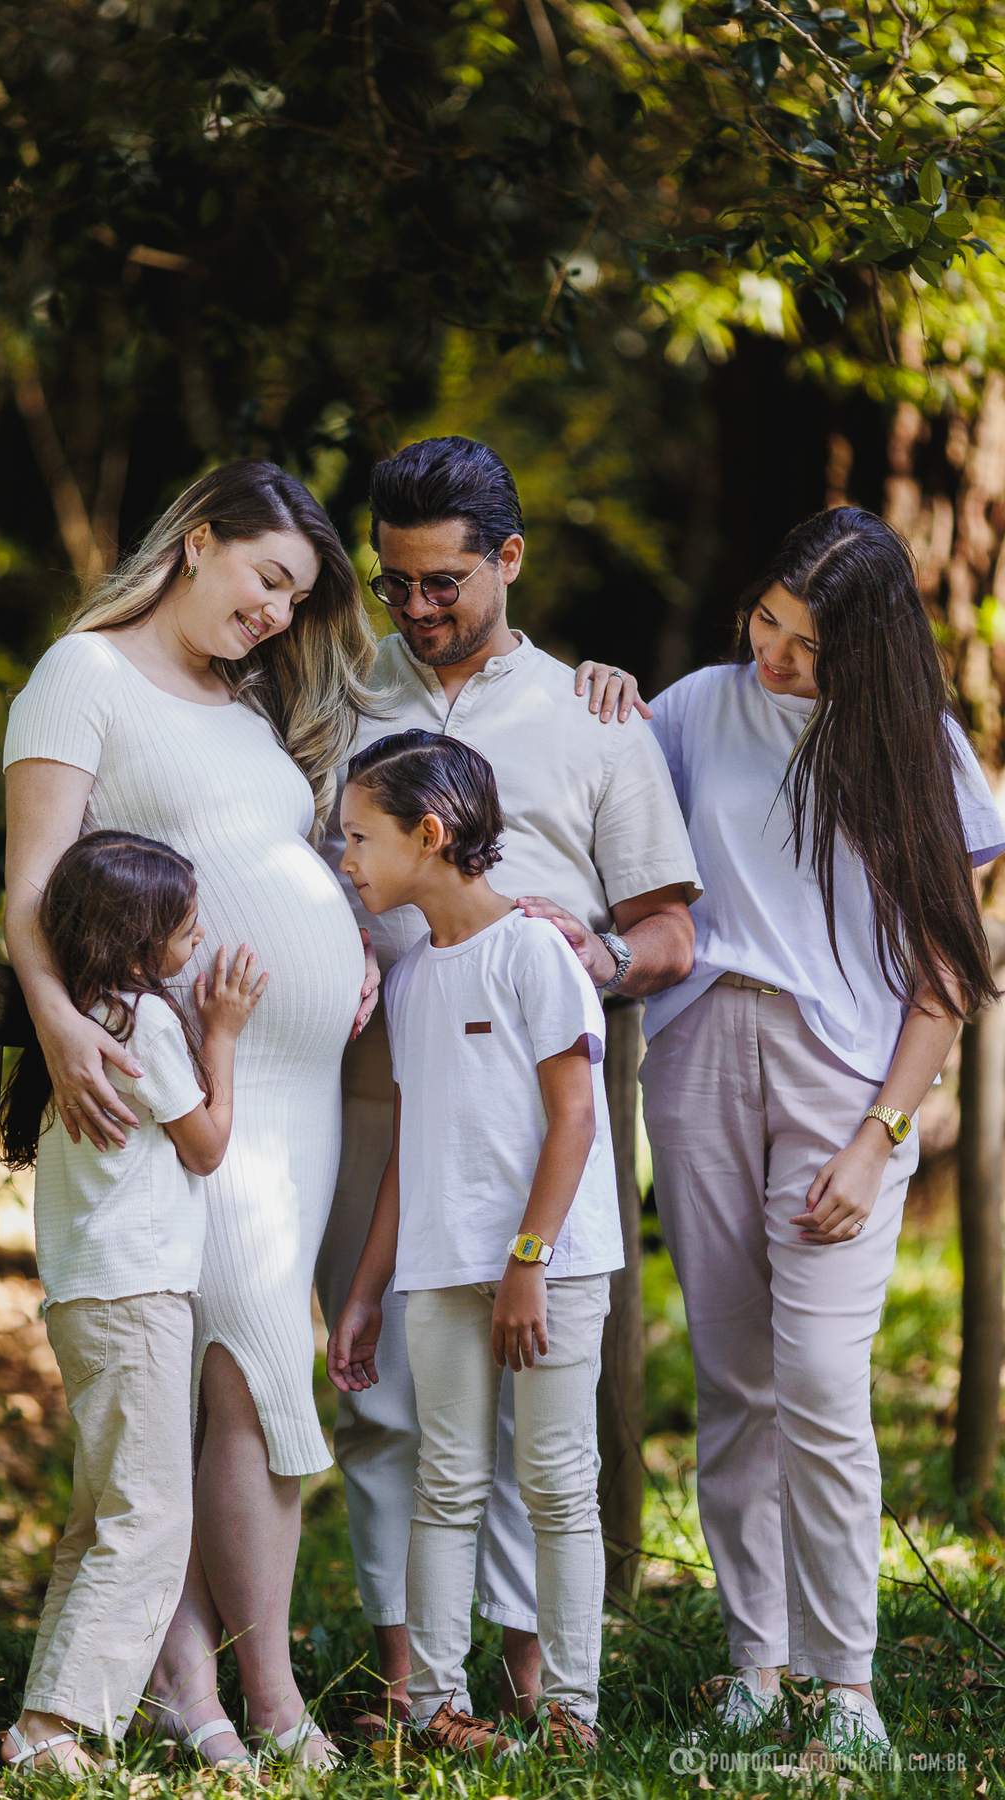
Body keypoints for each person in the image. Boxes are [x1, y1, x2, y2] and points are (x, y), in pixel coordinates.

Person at [2, 460, 381, 1771]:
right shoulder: (82, 674)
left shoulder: (242, 703)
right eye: (269, 577)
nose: (280, 612)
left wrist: (337, 930)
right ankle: (246, 1700)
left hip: (289, 1094)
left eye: (297, 598)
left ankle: (202, 1690)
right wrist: (59, 1026)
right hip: (183, 1101)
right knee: (237, 1377)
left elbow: (261, 857)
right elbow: (34, 887)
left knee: (252, 1384)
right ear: (200, 535)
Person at [315, 435, 700, 1721]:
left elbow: (669, 932)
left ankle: (540, 1671)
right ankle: (410, 1676)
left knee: (540, 1414)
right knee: (390, 1392)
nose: (419, 612)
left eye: (445, 584)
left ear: (509, 561)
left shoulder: (592, 714)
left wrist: (591, 955)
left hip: (539, 1087)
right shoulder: (344, 694)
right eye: (396, 584)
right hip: (376, 1069)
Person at [638, 508, 1004, 1752]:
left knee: (822, 1382)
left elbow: (949, 971)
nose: (776, 657)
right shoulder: (690, 710)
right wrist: (584, 689)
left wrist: (881, 1132)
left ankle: (846, 1686)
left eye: (807, 644)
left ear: (871, 651)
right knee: (735, 1379)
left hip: (844, 1081)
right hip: (694, 1056)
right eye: (770, 622)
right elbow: (597, 812)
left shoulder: (923, 751)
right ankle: (758, 1662)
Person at [328, 731, 620, 1756]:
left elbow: (573, 1120)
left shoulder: (536, 951)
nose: (346, 856)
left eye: (359, 836)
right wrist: (366, 1292)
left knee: (553, 1482)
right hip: (441, 1272)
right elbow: (417, 1144)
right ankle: (437, 1706)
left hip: (552, 1268)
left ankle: (572, 1713)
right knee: (444, 1481)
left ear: (431, 833)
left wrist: (527, 1266)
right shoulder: (413, 981)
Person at [0, 831, 266, 1773]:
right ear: (139, 942)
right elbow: (205, 1144)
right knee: (151, 1513)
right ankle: (52, 1730)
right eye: (187, 930)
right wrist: (222, 1035)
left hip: (89, 1295)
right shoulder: (143, 1021)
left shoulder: (77, 1015)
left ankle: (51, 1716)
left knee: (101, 1514)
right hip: (137, 1294)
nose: (198, 944)